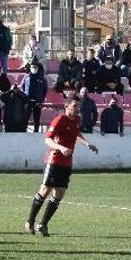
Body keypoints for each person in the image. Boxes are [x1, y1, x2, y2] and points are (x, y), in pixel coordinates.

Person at [25, 96, 98, 237]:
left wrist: (87, 144)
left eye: (78, 106)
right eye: (75, 106)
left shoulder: (76, 120)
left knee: (59, 193)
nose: (78, 109)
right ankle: (30, 221)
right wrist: (60, 148)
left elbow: (76, 133)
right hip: (54, 161)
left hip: (67, 163)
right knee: (45, 190)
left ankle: (43, 224)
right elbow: (48, 139)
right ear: (67, 107)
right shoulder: (59, 120)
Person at [24, 60, 47, 132]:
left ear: (38, 68)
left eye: (35, 67)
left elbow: (45, 90)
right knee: (25, 118)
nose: (33, 68)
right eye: (32, 67)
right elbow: (22, 87)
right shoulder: (26, 77)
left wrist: (41, 100)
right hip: (28, 101)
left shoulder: (42, 79)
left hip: (37, 102)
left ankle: (36, 132)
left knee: (36, 119)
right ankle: (23, 132)